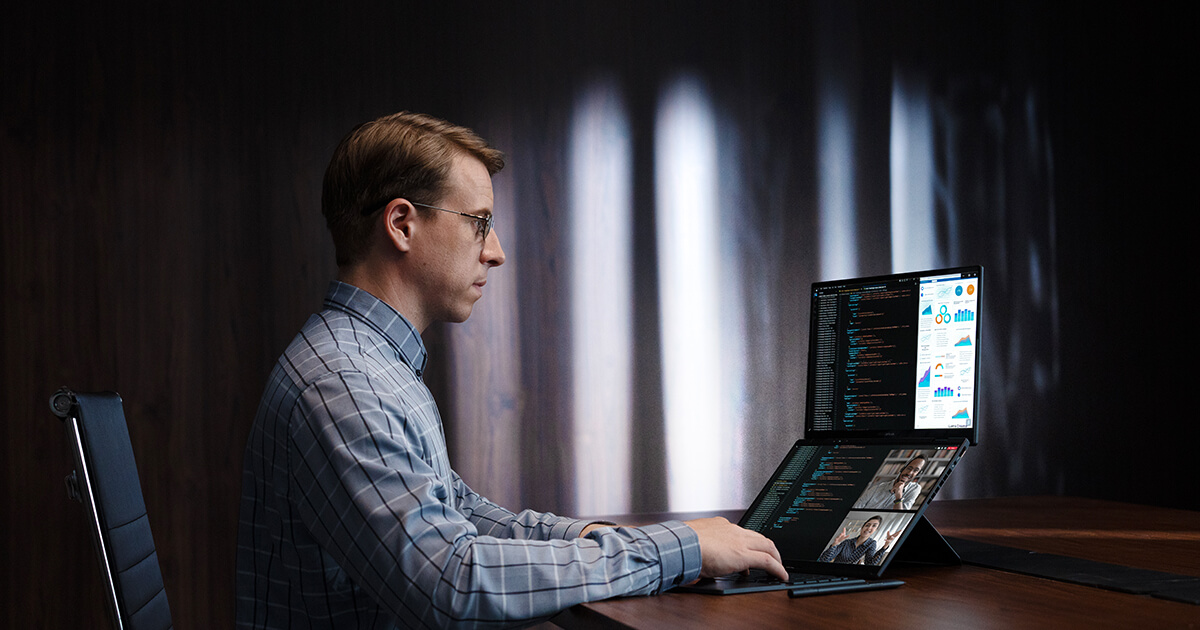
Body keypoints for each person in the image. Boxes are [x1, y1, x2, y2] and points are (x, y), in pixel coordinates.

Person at [235, 111, 787, 629]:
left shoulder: (368, 363)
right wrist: (679, 549)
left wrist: (601, 537)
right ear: (402, 224)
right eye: (479, 223)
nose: (495, 251)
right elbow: (451, 583)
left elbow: (462, 513)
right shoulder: (347, 384)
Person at [853, 454, 927, 510]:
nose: (910, 473)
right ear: (902, 469)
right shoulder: (877, 487)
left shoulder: (915, 489)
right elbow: (856, 507)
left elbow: (899, 516)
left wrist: (899, 496)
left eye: (915, 470)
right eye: (909, 468)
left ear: (918, 474)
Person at [818, 516, 900, 566]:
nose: (869, 528)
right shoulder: (847, 542)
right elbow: (824, 560)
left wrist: (886, 545)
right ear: (862, 527)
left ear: (876, 530)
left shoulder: (872, 543)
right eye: (867, 525)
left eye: (874, 526)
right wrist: (835, 544)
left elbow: (870, 563)